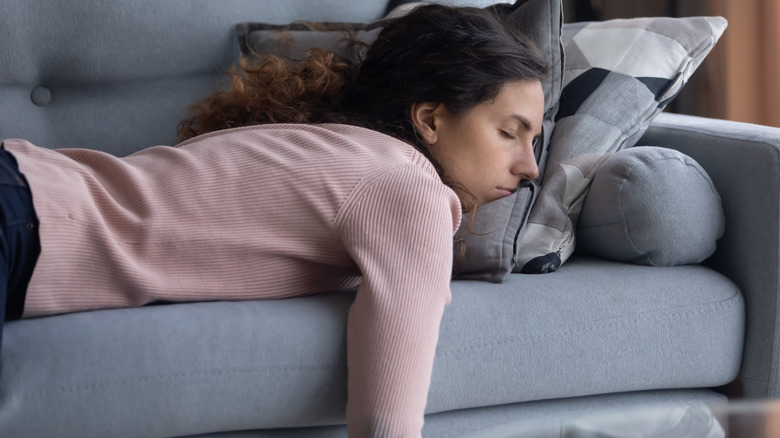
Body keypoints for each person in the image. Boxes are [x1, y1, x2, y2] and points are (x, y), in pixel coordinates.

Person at [0, 4, 547, 437]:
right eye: (509, 132)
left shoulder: (338, 147)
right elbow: (388, 421)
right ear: (430, 118)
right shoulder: (408, 189)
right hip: (22, 217)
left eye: (535, 140)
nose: (530, 168)